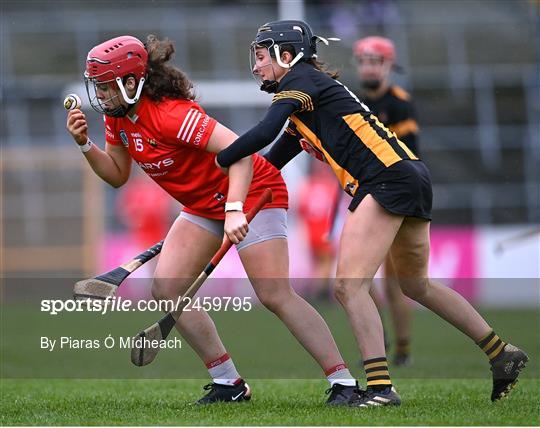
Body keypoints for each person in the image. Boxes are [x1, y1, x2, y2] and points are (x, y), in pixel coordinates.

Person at [216, 20, 529, 407]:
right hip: (410, 175)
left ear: (287, 54)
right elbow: (270, 160)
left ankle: (381, 389)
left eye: (261, 57)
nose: (256, 66)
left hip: (386, 180)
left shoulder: (301, 83)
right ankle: (503, 353)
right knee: (416, 286)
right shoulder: (306, 101)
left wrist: (222, 158)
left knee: (348, 286)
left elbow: (262, 134)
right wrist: (227, 196)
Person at [66, 34, 359, 405]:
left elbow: (239, 152)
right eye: (99, 87)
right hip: (204, 205)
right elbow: (117, 174)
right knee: (167, 289)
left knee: (274, 294)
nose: (101, 96)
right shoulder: (118, 120)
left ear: (131, 82)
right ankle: (228, 383)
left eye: (107, 86)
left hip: (253, 191)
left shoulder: (173, 116)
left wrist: (235, 208)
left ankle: (343, 382)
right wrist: (84, 145)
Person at [353, 35, 421, 366]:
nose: (367, 67)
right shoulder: (351, 100)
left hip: (393, 197)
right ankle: (379, 336)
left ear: (389, 65)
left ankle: (403, 349)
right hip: (362, 195)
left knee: (397, 284)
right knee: (355, 279)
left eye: (374, 61)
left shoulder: (399, 104)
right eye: (363, 61)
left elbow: (410, 156)